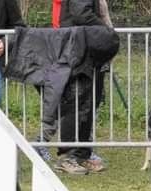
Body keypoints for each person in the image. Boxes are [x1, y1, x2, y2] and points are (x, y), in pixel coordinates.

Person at [50, 0, 117, 174]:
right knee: (76, 103)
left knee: (89, 104)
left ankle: (82, 155)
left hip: (86, 48)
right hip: (77, 49)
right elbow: (81, 13)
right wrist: (105, 30)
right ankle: (67, 156)